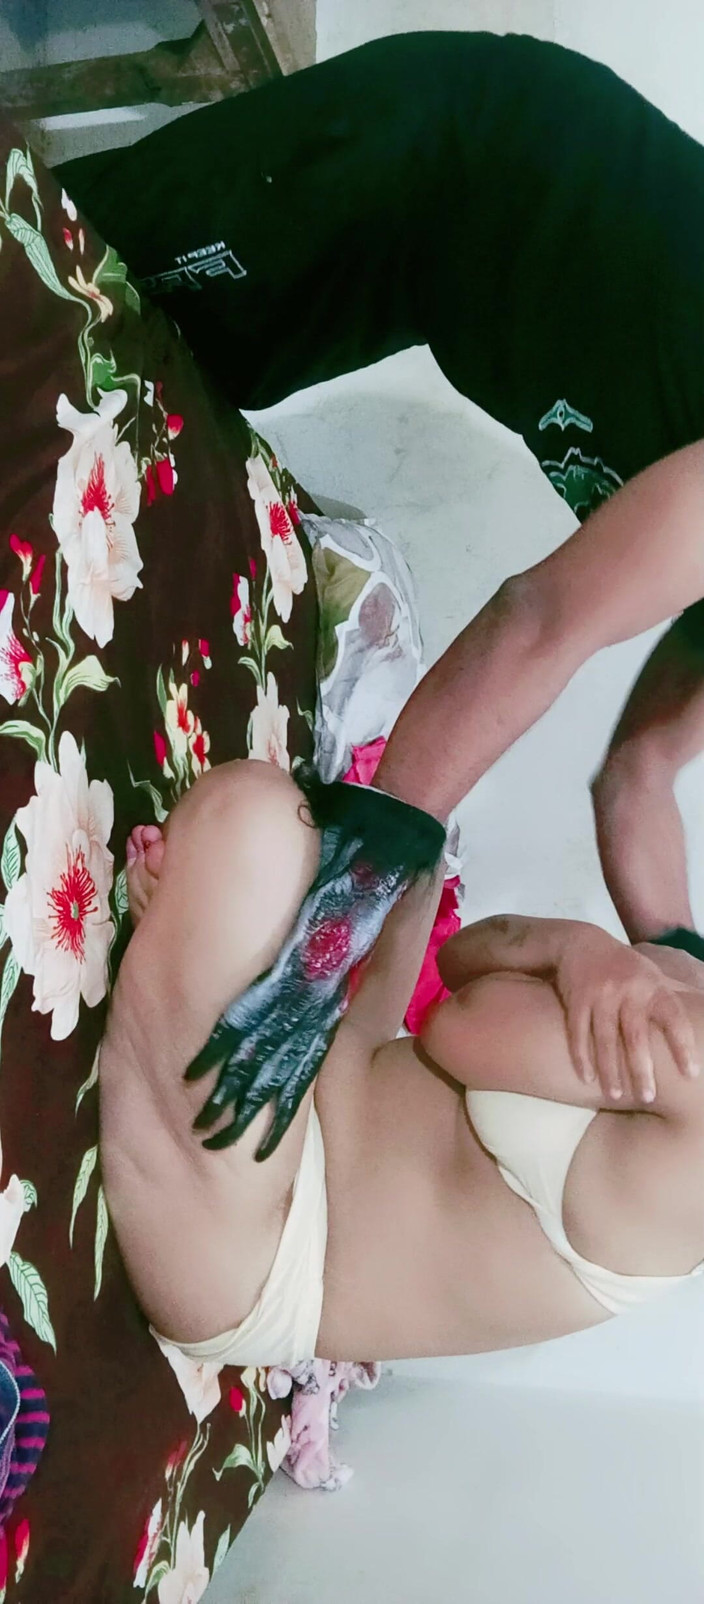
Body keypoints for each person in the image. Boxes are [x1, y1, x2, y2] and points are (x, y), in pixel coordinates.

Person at [58, 31, 704, 953]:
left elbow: (639, 777)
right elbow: (537, 621)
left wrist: (680, 977)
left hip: (429, 287)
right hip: (459, 146)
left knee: (159, 366)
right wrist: (358, 885)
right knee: (86, 269)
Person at [98, 758, 704, 1368]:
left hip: (262, 1258)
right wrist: (570, 944)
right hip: (332, 1072)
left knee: (256, 818)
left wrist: (576, 949)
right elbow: (459, 959)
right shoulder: (689, 976)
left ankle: (184, 955)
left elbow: (457, 1025)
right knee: (407, 855)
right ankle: (188, 959)